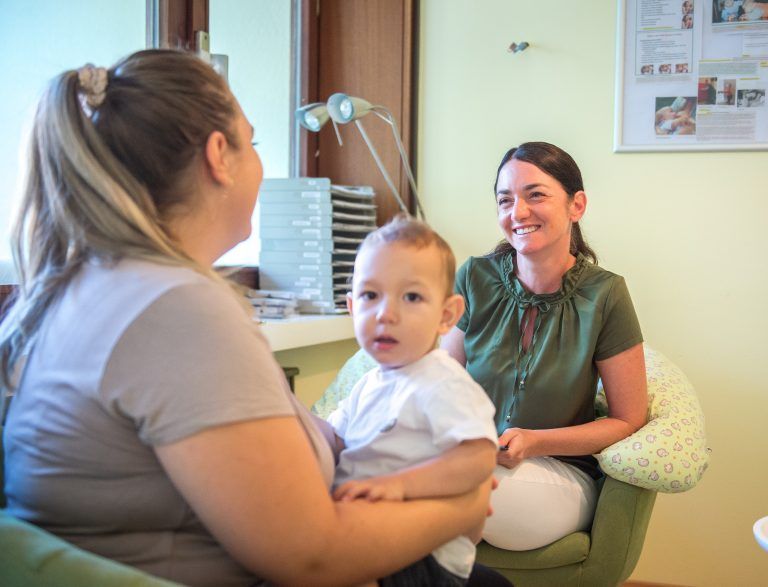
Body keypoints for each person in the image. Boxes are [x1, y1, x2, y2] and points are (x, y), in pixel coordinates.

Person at [0, 49, 494, 587]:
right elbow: (310, 557)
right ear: (220, 156)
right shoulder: (175, 308)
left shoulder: (89, 286)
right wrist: (463, 511)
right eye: (253, 142)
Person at [441, 142, 647, 551]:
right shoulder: (474, 277)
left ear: (576, 205)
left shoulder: (605, 294)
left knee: (462, 488)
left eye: (535, 195)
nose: (517, 212)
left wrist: (536, 442)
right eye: (505, 200)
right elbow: (440, 383)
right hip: (471, 461)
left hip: (559, 476)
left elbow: (627, 420)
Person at [327, 216, 499, 586]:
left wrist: (400, 485)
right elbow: (335, 441)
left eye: (412, 297)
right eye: (370, 295)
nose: (386, 314)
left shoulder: (442, 382)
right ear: (352, 307)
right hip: (368, 533)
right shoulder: (369, 383)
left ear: (446, 315)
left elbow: (478, 458)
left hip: (424, 557)